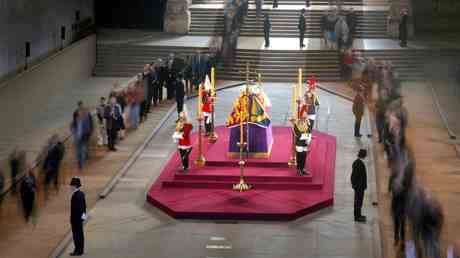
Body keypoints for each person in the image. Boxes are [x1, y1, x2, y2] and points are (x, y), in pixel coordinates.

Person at [71, 101, 93, 170]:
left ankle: (82, 164)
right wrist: (74, 132)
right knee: (78, 151)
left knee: (82, 150)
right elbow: (73, 125)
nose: (79, 114)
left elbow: (89, 126)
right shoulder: (76, 117)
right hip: (78, 137)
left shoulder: (85, 118)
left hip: (84, 137)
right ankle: (79, 162)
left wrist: (89, 133)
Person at [290, 111, 312, 176]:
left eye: (305, 115)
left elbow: (309, 131)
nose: (305, 117)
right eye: (304, 115)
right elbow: (297, 134)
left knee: (304, 156)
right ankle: (299, 169)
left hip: (305, 142)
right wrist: (306, 137)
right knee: (299, 156)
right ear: (301, 116)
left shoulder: (307, 122)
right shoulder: (296, 124)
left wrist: (309, 139)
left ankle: (303, 169)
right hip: (300, 143)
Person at [69, 177, 87, 256]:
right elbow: (84, 207)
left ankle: (78, 250)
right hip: (79, 218)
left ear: (75, 186)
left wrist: (77, 219)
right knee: (80, 234)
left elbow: (78, 208)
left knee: (76, 235)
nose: (70, 187)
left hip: (76, 219)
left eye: (72, 185)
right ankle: (80, 249)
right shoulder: (81, 194)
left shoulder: (76, 195)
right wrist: (83, 217)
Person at [351, 149, 367, 222]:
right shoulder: (358, 163)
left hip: (360, 186)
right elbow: (354, 176)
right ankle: (357, 217)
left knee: (359, 201)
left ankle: (359, 215)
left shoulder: (358, 162)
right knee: (358, 201)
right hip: (359, 187)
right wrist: (355, 185)